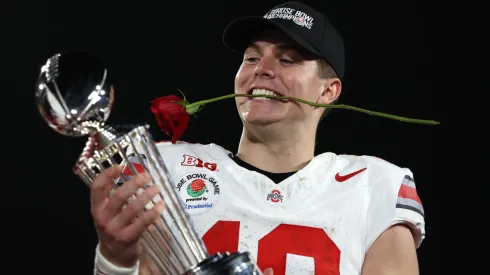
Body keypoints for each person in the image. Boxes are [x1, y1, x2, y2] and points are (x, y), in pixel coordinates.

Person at [90, 2, 426, 275]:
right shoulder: (170, 169)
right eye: (251, 57)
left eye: (286, 59)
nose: (261, 68)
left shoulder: (374, 186)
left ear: (327, 91)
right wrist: (114, 260)